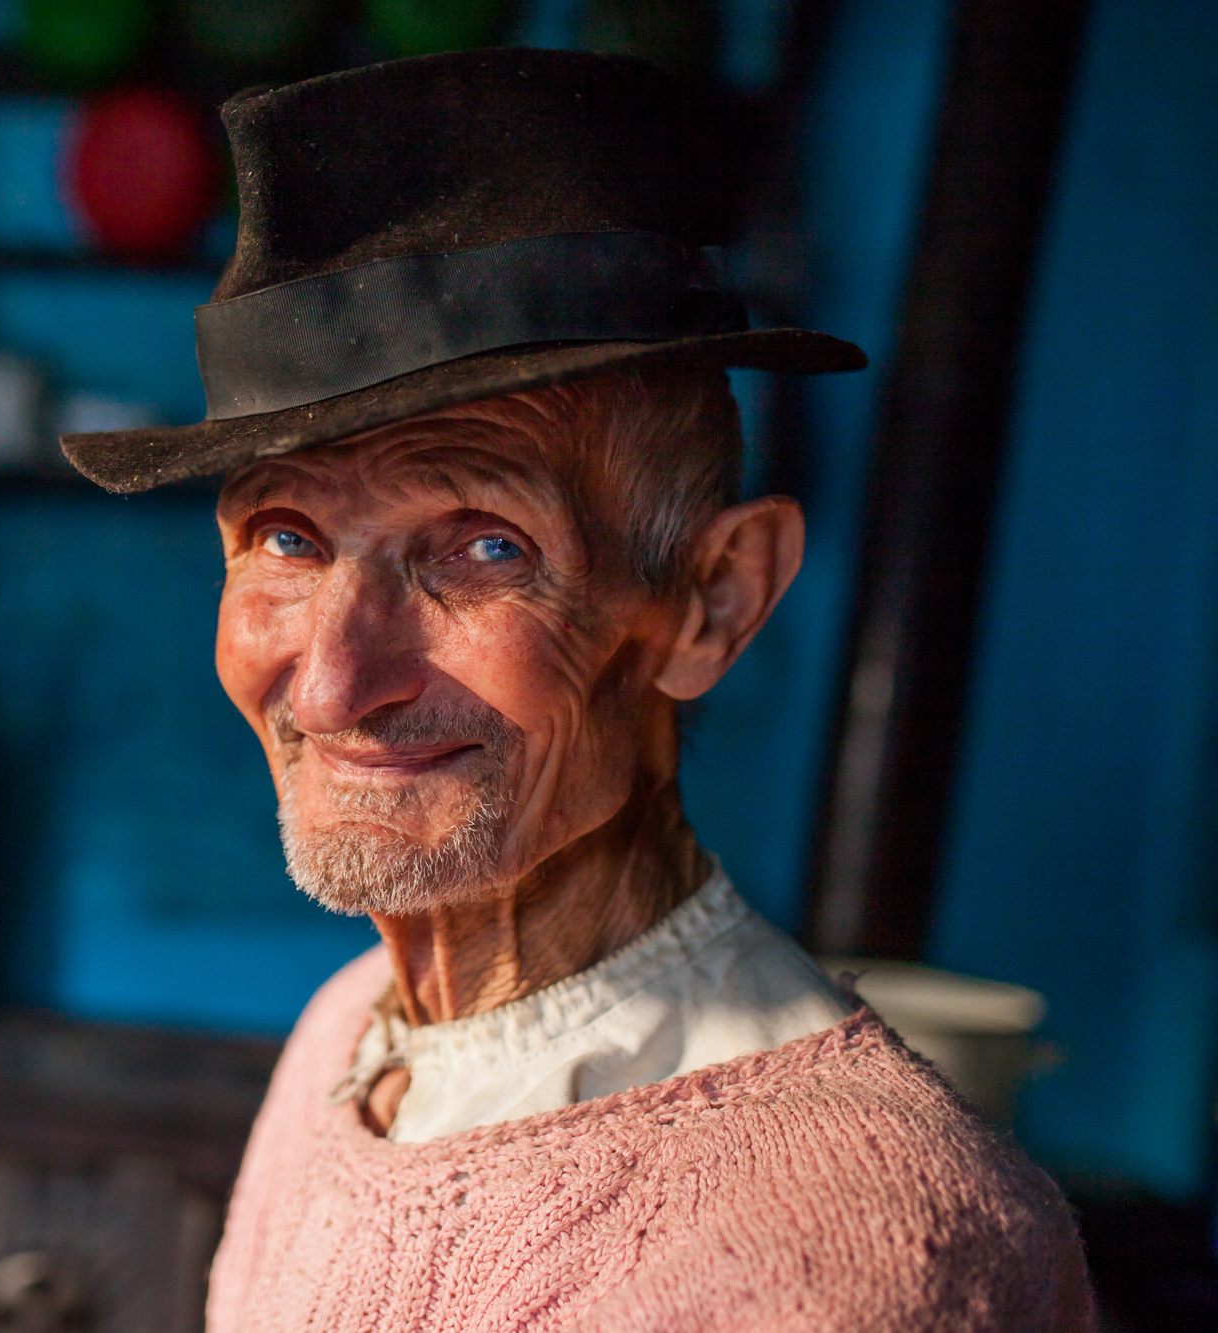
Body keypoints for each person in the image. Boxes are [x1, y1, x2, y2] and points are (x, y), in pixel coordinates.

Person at [61, 49, 1094, 1332]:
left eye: (483, 547)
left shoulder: (831, 1254)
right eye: (286, 539)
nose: (332, 680)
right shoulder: (349, 1034)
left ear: (711, 598)